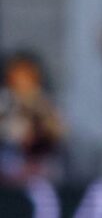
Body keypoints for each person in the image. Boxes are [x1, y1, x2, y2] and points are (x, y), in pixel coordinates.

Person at [0, 51, 65, 184]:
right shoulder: (5, 101)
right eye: (18, 76)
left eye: (27, 77)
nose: (22, 82)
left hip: (39, 167)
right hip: (8, 165)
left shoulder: (44, 104)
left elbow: (57, 133)